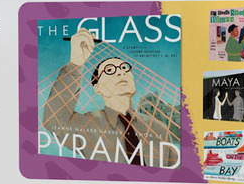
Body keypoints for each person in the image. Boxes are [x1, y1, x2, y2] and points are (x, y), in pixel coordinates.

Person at [40, 26, 177, 168]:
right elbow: (53, 121)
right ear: (98, 89)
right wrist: (76, 62)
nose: (120, 73)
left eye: (125, 68)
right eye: (110, 70)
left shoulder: (158, 128)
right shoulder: (87, 123)